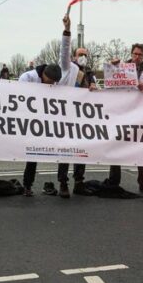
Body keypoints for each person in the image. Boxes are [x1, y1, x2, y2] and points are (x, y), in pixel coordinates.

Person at [105, 43, 143, 193]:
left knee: (141, 146)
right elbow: (109, 85)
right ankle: (114, 180)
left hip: (140, 113)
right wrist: (112, 66)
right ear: (131, 54)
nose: (137, 57)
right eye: (135, 53)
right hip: (123, 112)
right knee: (117, 145)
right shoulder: (121, 68)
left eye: (140, 54)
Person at [58, 15, 97, 195]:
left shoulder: (90, 74)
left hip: (83, 118)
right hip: (66, 115)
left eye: (85, 55)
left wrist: (94, 88)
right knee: (66, 150)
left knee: (82, 150)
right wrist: (67, 30)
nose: (83, 57)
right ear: (74, 56)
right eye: (80, 55)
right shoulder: (68, 68)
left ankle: (79, 182)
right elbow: (64, 49)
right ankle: (63, 183)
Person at [19, 63, 65, 196]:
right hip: (29, 118)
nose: (51, 85)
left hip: (46, 119)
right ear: (43, 74)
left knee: (52, 150)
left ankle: (61, 182)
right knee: (32, 153)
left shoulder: (54, 82)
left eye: (53, 83)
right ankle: (27, 184)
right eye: (49, 81)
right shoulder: (27, 77)